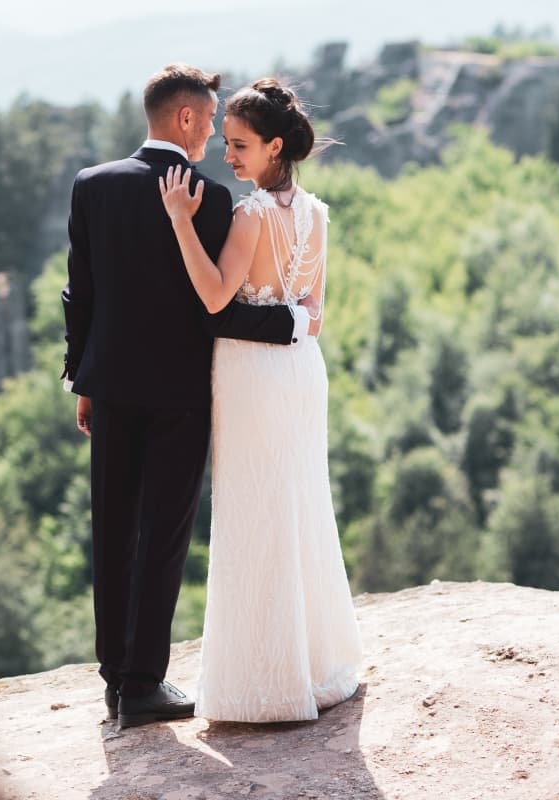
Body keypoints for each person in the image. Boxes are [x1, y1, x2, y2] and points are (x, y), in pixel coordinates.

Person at [61, 64, 312, 729]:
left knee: (111, 530)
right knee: (161, 537)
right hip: (180, 394)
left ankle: (115, 681)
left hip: (109, 388)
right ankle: (144, 685)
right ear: (186, 119)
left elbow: (79, 294)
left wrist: (78, 379)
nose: (215, 137)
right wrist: (295, 324)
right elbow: (217, 311)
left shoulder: (94, 186)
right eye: (209, 122)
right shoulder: (209, 196)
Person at [158, 78, 363, 723]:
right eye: (225, 142)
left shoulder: (249, 216)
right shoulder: (317, 215)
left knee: (256, 510)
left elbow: (217, 297)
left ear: (276, 147)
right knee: (301, 504)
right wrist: (293, 322)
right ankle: (317, 665)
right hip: (302, 371)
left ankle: (266, 682)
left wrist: (182, 225)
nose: (228, 156)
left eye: (240, 145)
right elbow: (315, 315)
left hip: (252, 375)